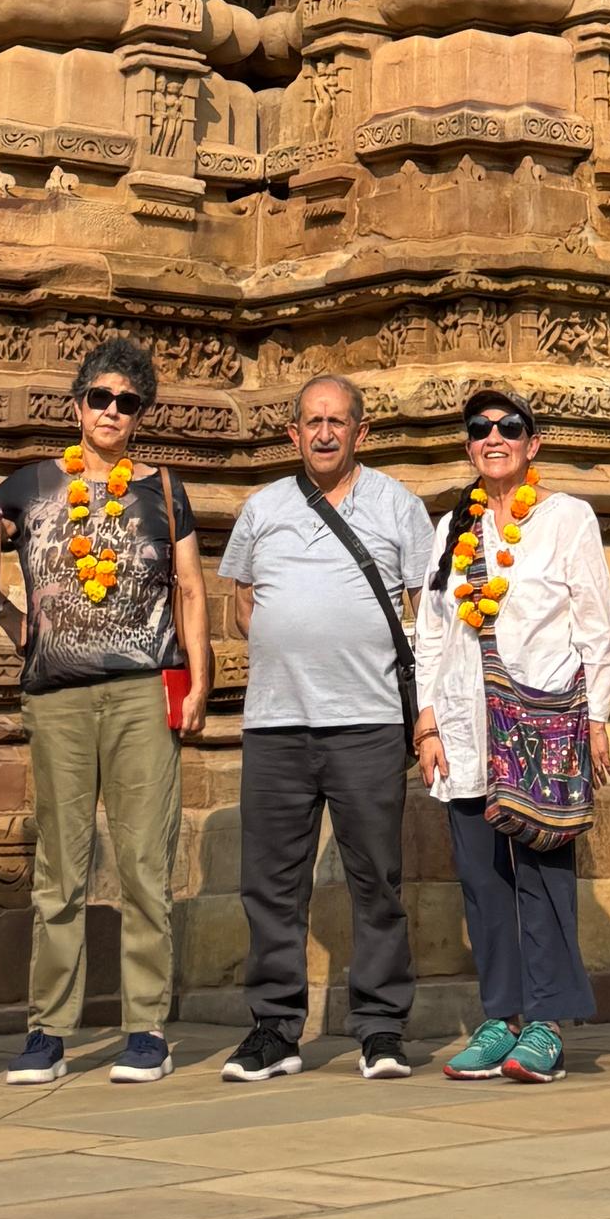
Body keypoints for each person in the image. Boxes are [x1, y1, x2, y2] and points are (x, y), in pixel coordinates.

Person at [0, 336, 209, 1086]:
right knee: (60, 866)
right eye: (101, 398)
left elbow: (190, 587)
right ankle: (48, 1030)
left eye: (128, 402)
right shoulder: (28, 487)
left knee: (144, 860)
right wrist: (13, 622)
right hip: (56, 695)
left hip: (142, 690)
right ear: (77, 406)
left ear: (139, 414)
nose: (112, 411)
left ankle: (146, 1026)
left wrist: (199, 682)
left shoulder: (164, 489)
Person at [215, 374, 433, 1080]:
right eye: (313, 421)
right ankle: (275, 1031)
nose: (325, 432)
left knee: (377, 881)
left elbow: (427, 614)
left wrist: (427, 715)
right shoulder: (263, 507)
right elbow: (241, 605)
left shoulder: (397, 505)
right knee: (270, 885)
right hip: (277, 722)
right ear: (294, 433)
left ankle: (381, 1027)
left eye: (338, 421)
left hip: (367, 721)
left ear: (360, 432)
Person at [415, 386, 610, 1086]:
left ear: (533, 443)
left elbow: (596, 623)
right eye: (479, 428)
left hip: (543, 722)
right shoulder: (454, 524)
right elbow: (431, 629)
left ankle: (546, 1024)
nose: (492, 437)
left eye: (508, 427)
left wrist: (598, 719)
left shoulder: (566, 517)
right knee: (481, 879)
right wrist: (426, 721)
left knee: (541, 871)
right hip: (465, 723)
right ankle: (499, 1016)